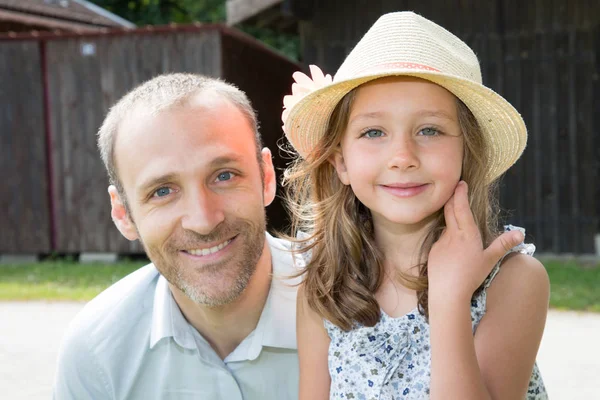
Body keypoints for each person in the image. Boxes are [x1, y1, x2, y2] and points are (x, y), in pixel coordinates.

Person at [281, 11, 549, 400]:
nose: (402, 156)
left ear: (467, 152)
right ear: (340, 162)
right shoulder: (324, 290)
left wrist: (449, 300)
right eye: (374, 132)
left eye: (429, 130)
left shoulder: (512, 280)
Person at [53, 73, 299, 400]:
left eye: (224, 175)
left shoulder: (359, 311)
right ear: (123, 214)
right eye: (163, 191)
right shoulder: (96, 355)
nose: (203, 221)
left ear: (266, 177)